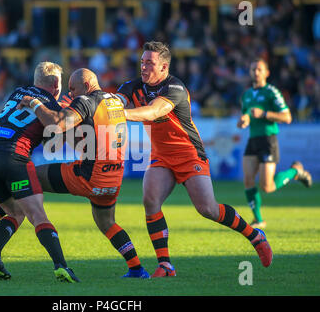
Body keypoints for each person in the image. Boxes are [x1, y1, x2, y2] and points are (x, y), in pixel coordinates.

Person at [0, 68, 150, 279]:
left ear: (86, 86)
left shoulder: (85, 101)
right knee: (107, 223)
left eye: (73, 88)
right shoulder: (113, 100)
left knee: (29, 178)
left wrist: (36, 104)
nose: (71, 93)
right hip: (113, 178)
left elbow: (57, 124)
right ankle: (137, 268)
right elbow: (81, 140)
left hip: (87, 176)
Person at [115, 41, 273, 277]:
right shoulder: (132, 86)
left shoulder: (175, 88)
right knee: (150, 200)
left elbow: (153, 111)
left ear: (164, 67)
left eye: (150, 63)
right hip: (161, 156)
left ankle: (254, 234)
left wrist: (119, 113)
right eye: (142, 62)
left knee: (208, 209)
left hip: (189, 153)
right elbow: (117, 101)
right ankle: (165, 265)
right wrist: (106, 105)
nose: (144, 67)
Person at [0, 62, 79, 283]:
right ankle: (61, 266)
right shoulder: (50, 104)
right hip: (15, 160)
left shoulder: (17, 92)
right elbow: (56, 141)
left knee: (15, 212)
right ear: (55, 83)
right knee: (37, 215)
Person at [237, 58, 312, 229]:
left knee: (267, 187)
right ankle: (258, 220)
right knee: (248, 179)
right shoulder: (247, 95)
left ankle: (295, 171)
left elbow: (287, 117)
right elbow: (245, 116)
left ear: (266, 73)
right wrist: (243, 122)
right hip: (252, 139)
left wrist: (264, 114)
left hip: (268, 140)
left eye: (259, 69)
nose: (256, 72)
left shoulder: (272, 92)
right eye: (253, 69)